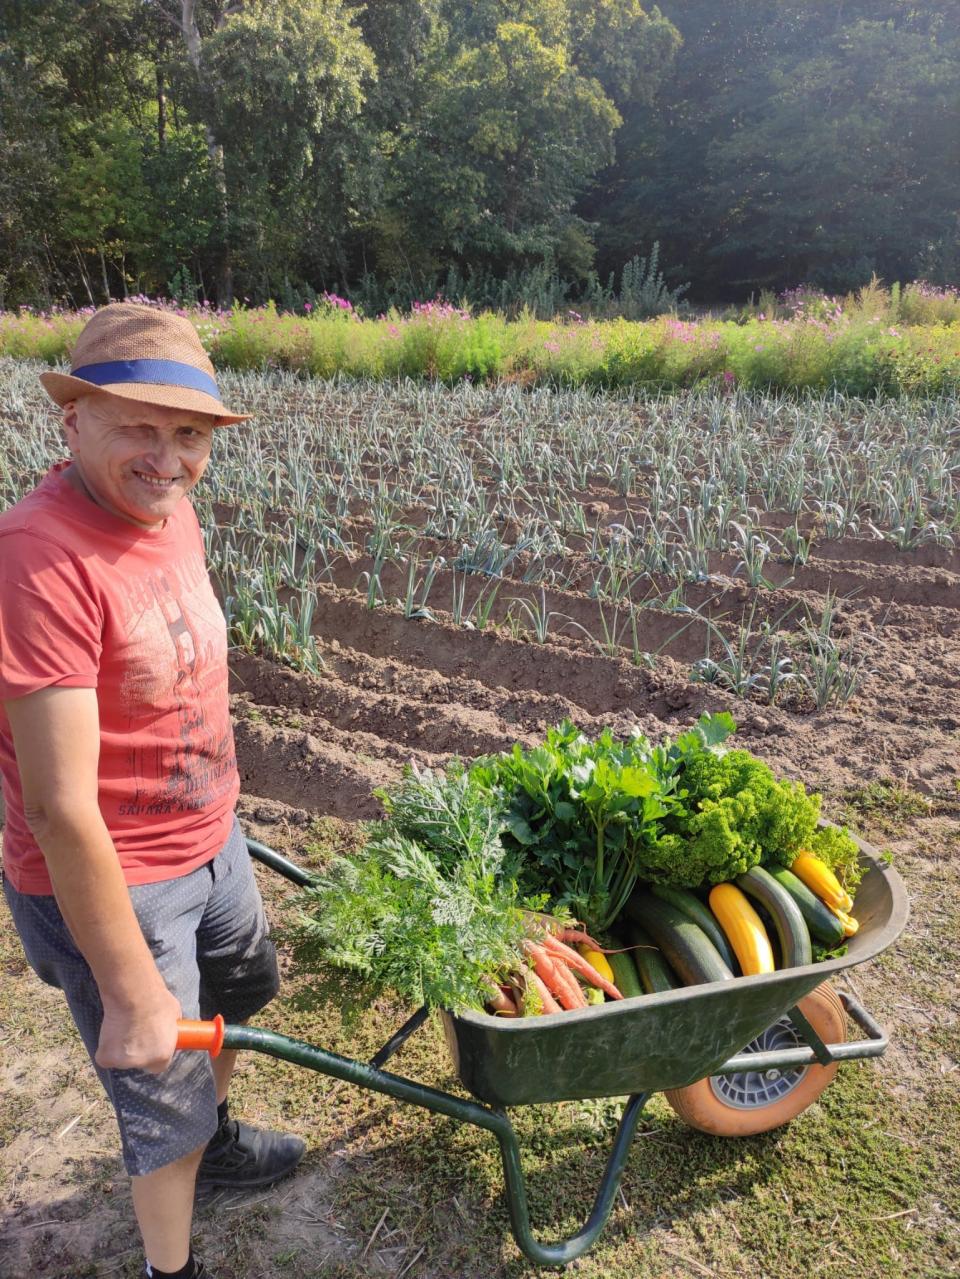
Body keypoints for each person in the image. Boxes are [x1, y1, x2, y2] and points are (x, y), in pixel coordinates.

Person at [0, 303, 304, 1279]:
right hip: (116, 878)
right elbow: (58, 802)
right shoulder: (41, 555)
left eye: (189, 434)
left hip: (210, 841)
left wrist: (221, 824)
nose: (166, 456)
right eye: (138, 424)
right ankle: (170, 1266)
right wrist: (130, 985)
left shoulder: (166, 514)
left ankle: (214, 1151)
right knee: (162, 1096)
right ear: (73, 419)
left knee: (241, 992)